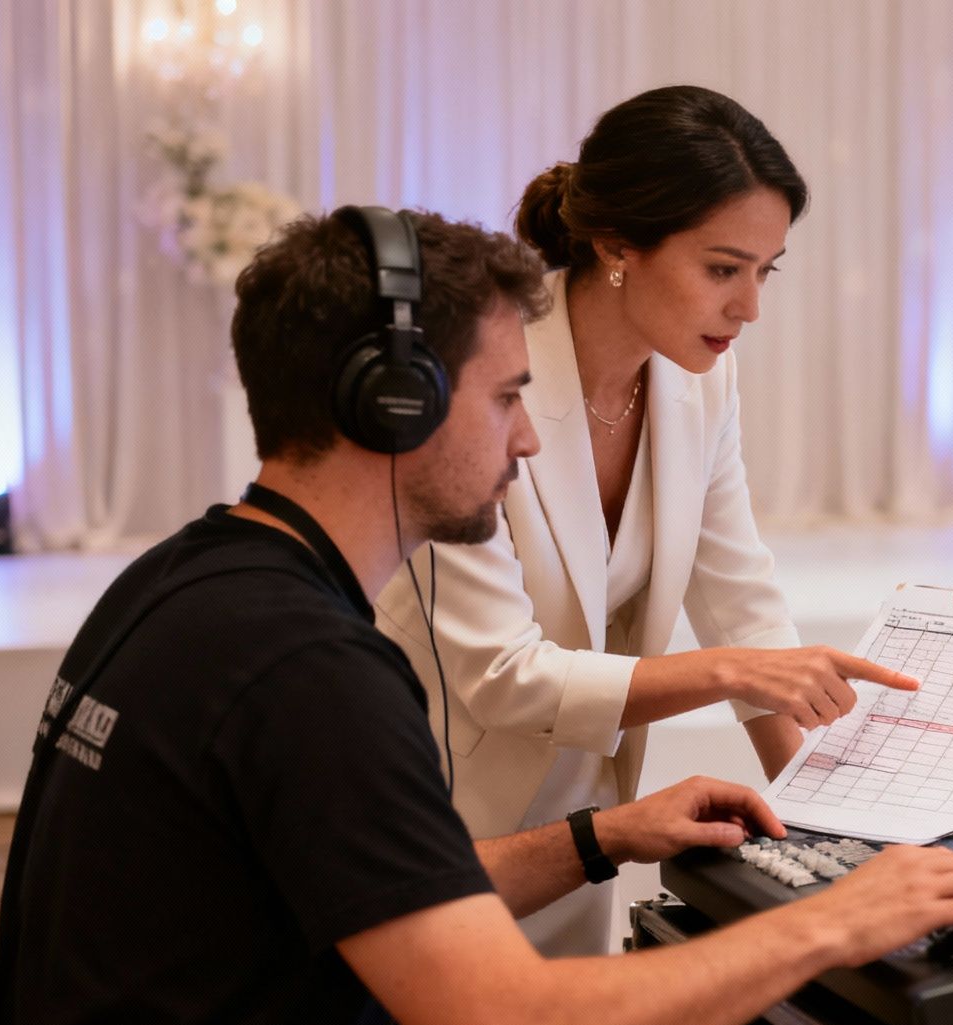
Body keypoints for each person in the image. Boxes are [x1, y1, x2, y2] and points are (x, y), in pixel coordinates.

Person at [0, 207, 953, 1025]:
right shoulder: (310, 675)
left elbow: (368, 887)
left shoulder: (188, 579)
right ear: (392, 403)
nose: (524, 437)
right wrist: (833, 920)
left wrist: (600, 838)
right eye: (507, 395)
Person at [375, 86, 911, 966]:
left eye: (765, 271)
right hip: (441, 814)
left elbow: (743, 607)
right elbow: (501, 677)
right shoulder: (470, 375)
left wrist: (842, 839)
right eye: (722, 268)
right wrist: (738, 669)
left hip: (582, 816)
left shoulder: (699, 381)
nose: (751, 308)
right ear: (618, 245)